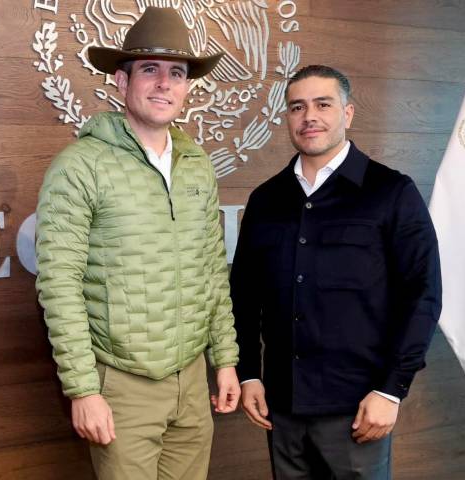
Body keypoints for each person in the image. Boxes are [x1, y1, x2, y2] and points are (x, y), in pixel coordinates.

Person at [34, 7, 240, 480]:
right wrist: (84, 390)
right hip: (122, 385)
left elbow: (212, 269)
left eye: (177, 73)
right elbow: (60, 285)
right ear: (122, 81)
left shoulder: (197, 164)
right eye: (150, 69)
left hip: (192, 379)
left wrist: (225, 360)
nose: (164, 83)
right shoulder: (80, 165)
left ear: (187, 87)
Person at [231, 65, 442, 480]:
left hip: (359, 408)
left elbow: (423, 295)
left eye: (323, 104)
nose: (309, 116)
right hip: (282, 408)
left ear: (347, 113)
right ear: (287, 117)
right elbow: (244, 296)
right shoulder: (266, 199)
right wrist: (249, 373)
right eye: (297, 107)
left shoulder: (391, 192)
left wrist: (391, 390)